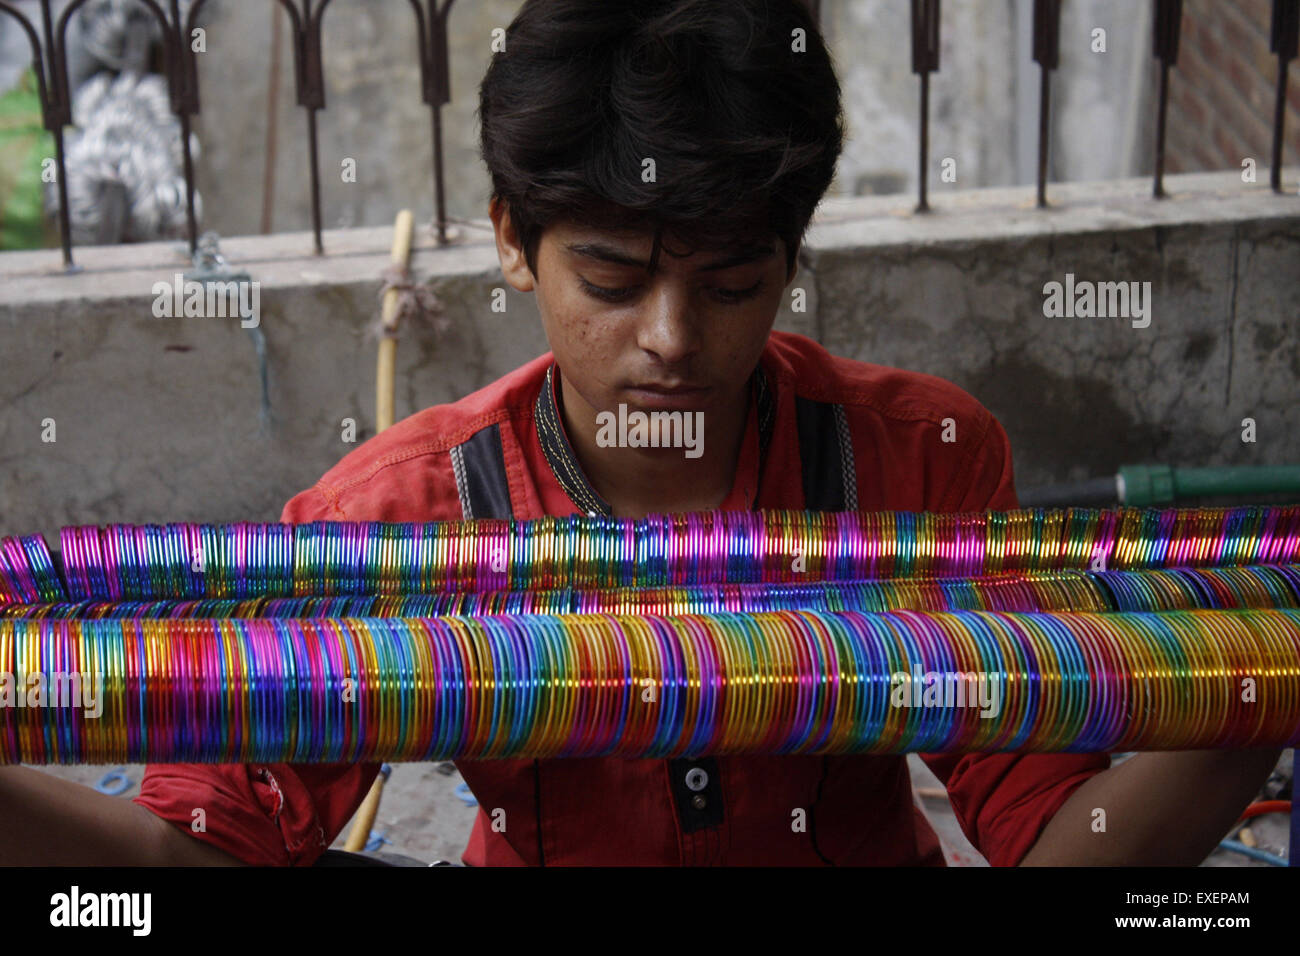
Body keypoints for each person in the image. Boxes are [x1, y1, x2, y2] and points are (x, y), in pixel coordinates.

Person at [0, 0, 1277, 867]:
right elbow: (197, 857)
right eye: (611, 279)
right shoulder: (396, 522)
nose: (671, 337)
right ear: (512, 240)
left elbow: (1064, 845)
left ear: (790, 256)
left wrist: (1254, 683)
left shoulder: (918, 463)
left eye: (730, 283)